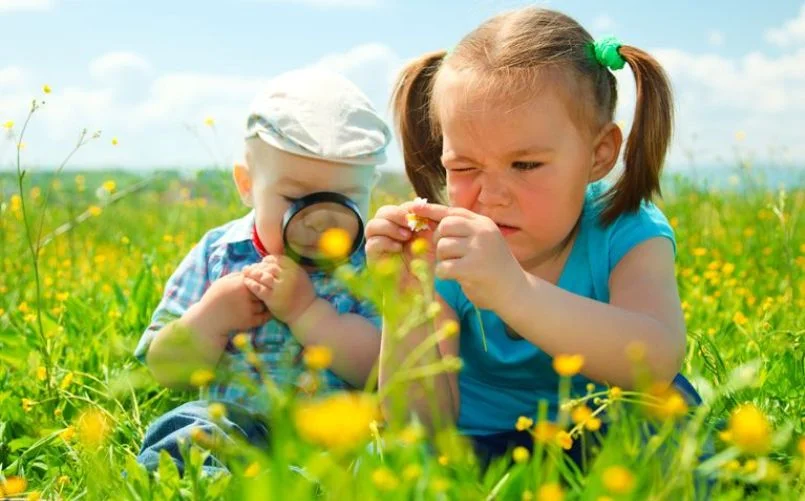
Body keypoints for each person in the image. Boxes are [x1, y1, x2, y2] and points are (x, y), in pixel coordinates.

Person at [365, 6, 703, 466]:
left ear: (599, 154)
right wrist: (403, 297)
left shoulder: (625, 229)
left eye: (525, 165)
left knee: (670, 423)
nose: (492, 196)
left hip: (606, 437)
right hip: (481, 447)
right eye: (463, 168)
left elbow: (657, 361)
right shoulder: (445, 248)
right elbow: (419, 424)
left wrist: (513, 292)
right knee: (386, 460)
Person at [134, 68, 392, 474]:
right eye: (294, 197)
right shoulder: (219, 253)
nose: (320, 219)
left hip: (336, 434)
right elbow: (164, 366)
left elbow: (381, 371)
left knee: (384, 452)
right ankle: (212, 486)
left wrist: (308, 313)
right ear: (247, 183)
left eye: (344, 199)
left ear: (370, 188)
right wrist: (211, 316)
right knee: (188, 427)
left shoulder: (372, 262)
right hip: (233, 425)